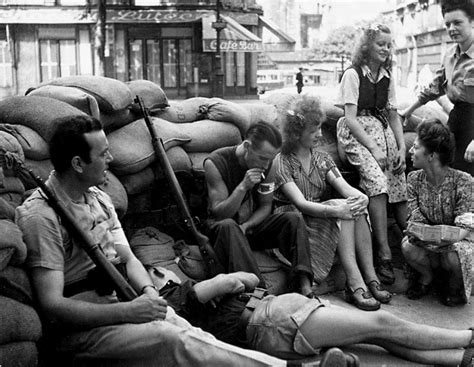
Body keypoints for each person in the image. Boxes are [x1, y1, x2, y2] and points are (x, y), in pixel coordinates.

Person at [15, 115, 286, 367]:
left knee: (192, 334)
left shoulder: (98, 199)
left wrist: (147, 292)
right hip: (82, 331)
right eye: (102, 153)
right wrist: (129, 312)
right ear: (77, 164)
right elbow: (52, 305)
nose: (111, 158)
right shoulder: (42, 216)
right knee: (173, 340)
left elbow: (128, 258)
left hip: (122, 301)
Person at [148, 265, 474, 367]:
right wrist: (224, 282)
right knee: (383, 323)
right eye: (158, 270)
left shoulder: (180, 306)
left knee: (374, 335)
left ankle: (460, 358)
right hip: (272, 318)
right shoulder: (177, 297)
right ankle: (467, 337)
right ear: (157, 282)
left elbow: (245, 280)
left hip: (270, 325)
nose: (168, 269)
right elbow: (237, 280)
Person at [273, 95, 391, 311]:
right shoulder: (281, 162)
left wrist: (360, 198)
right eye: (313, 131)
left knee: (354, 206)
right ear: (296, 133)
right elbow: (300, 204)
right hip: (295, 222)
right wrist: (336, 209)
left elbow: (344, 187)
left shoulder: (322, 158)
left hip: (320, 215)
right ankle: (354, 282)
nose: (319, 134)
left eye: (320, 128)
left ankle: (370, 277)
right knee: (342, 211)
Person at [203, 121, 314, 297]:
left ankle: (305, 285)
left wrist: (247, 226)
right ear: (247, 146)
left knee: (293, 218)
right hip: (222, 230)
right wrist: (243, 187)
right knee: (228, 225)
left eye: (270, 158)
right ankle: (259, 294)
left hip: (246, 227)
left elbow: (265, 206)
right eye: (262, 158)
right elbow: (219, 213)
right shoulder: (215, 163)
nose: (266, 164)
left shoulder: (269, 165)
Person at [336, 23, 407, 285]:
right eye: (381, 44)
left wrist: (401, 147)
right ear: (367, 46)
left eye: (389, 45)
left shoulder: (387, 74)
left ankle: (413, 243)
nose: (386, 49)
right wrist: (374, 149)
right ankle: (384, 254)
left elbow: (393, 114)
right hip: (357, 133)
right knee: (377, 183)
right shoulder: (353, 74)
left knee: (399, 180)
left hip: (382, 129)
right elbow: (350, 118)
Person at [401, 119, 474, 306]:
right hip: (430, 241)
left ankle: (455, 286)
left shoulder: (464, 181)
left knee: (454, 255)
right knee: (408, 247)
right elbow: (414, 218)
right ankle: (428, 277)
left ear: (431, 155)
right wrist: (422, 231)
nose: (411, 151)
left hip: (458, 241)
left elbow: (463, 230)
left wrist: (431, 234)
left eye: (416, 147)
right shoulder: (414, 179)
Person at [399, 0, 474, 176]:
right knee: (451, 171)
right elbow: (435, 87)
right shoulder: (449, 55)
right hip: (457, 119)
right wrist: (409, 111)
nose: (451, 28)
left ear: (472, 21)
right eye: (447, 24)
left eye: (457, 22)